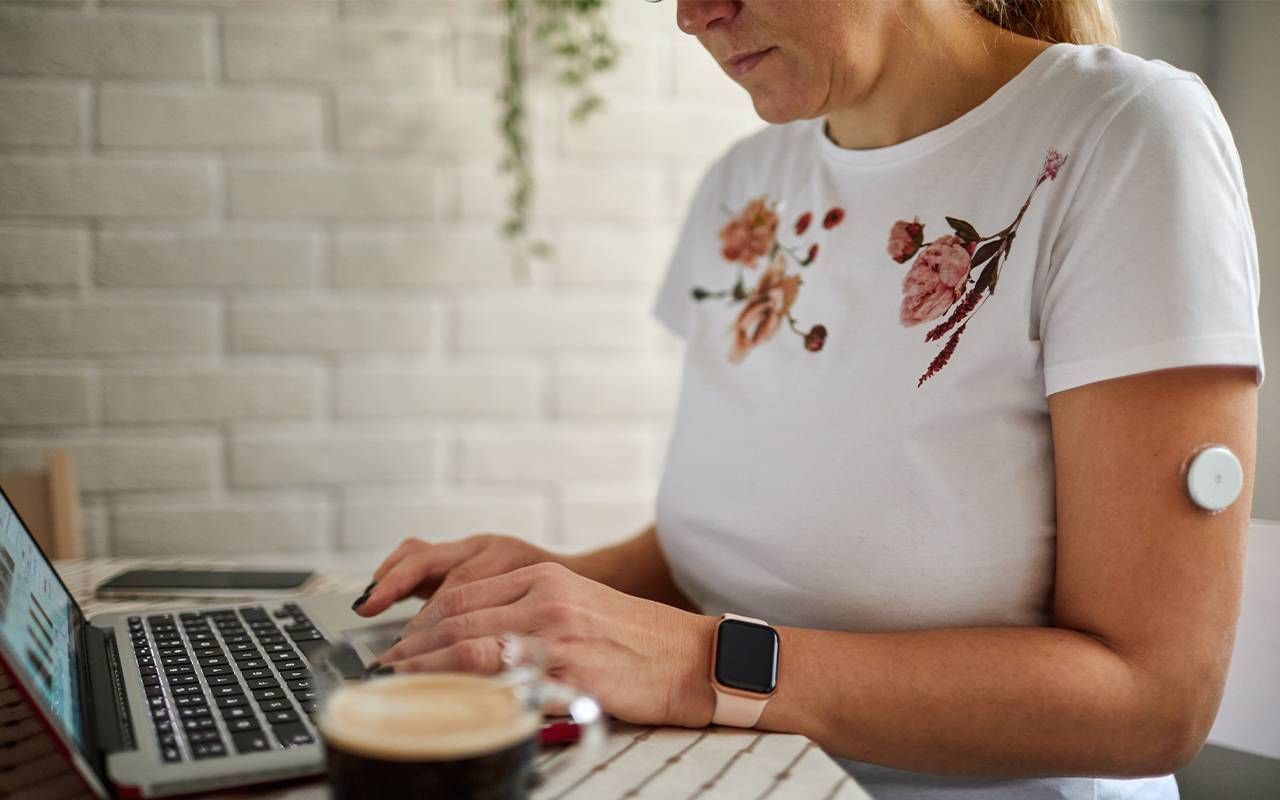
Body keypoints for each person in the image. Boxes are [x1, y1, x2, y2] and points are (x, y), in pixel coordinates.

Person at [351, 1, 1265, 797]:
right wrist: (550, 586)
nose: (691, 12)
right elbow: (737, 552)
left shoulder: (1123, 134)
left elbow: (1150, 702)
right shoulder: (746, 188)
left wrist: (694, 664)